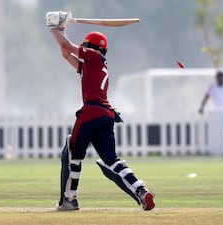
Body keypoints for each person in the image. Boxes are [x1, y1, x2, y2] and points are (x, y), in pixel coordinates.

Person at [45, 11, 155, 211]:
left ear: (91, 47)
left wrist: (52, 28)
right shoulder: (94, 65)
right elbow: (65, 52)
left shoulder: (93, 57)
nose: (82, 49)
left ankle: (69, 199)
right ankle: (141, 190)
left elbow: (67, 47)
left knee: (72, 152)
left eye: (84, 46)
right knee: (111, 160)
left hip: (91, 113)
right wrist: (60, 30)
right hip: (106, 115)